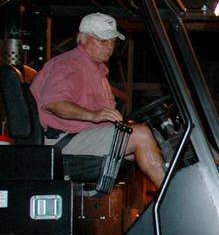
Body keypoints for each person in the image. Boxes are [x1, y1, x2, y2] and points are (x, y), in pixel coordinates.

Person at [29, 13, 165, 188]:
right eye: (103, 41)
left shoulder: (99, 72)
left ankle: (176, 189)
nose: (109, 47)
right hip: (63, 141)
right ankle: (174, 198)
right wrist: (93, 115)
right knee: (140, 135)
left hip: (82, 138)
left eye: (112, 41)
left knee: (156, 138)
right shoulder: (70, 64)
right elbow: (54, 103)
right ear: (84, 38)